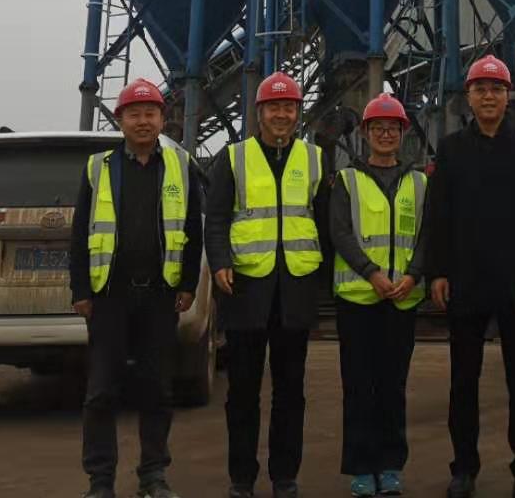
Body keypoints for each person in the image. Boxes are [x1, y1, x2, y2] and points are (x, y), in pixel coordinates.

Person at [423, 55, 515, 498]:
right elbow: (439, 214)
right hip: (466, 279)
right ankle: (464, 468)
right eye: (480, 89)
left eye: (496, 89)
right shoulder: (452, 149)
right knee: (463, 380)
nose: (488, 96)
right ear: (469, 97)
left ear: (507, 96)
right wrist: (438, 271)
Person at [70, 77, 205, 498]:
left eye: (150, 113)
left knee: (157, 389)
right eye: (134, 114)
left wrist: (187, 284)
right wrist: (80, 290)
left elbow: (193, 229)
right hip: (109, 295)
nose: (143, 121)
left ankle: (153, 476)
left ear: (163, 119)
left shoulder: (180, 166)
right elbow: (79, 232)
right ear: (120, 120)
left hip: (161, 295)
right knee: (101, 392)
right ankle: (100, 482)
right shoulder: (99, 167)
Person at [206, 71, 331, 498]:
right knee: (242, 392)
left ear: (298, 113)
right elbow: (216, 218)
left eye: (289, 107)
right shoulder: (234, 157)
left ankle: (284, 476)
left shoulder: (314, 159)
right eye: (274, 107)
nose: (282, 114)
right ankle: (241, 478)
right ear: (259, 112)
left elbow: (326, 222)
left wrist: (324, 281)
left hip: (294, 290)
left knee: (290, 391)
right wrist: (220, 262)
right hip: (245, 290)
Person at [332, 94, 430, 498]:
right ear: (365, 133)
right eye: (378, 128)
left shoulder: (419, 182)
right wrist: (371, 273)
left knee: (393, 386)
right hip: (358, 299)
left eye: (393, 128)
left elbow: (427, 235)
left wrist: (413, 274)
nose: (386, 134)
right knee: (358, 386)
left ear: (403, 133)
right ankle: (360, 468)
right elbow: (340, 232)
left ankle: (390, 466)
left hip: (402, 299)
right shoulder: (347, 180)